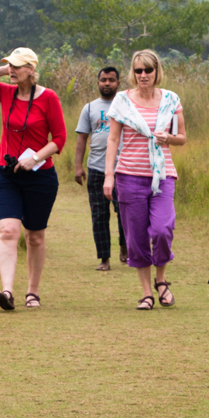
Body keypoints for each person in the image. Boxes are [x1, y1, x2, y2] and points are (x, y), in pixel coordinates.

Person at [0, 47, 67, 310]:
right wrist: (3, 70)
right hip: (5, 174)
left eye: (18, 66)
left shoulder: (48, 98)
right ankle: (7, 291)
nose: (12, 69)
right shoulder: (4, 91)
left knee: (35, 236)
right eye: (10, 65)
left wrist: (36, 158)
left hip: (39, 176)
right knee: (8, 231)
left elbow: (59, 138)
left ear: (31, 69)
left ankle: (32, 292)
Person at [103, 50, 186, 310]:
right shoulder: (122, 101)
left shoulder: (171, 99)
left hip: (162, 175)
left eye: (148, 70)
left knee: (162, 229)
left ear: (156, 71)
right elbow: (113, 139)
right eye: (138, 71)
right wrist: (109, 175)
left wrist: (167, 138)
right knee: (136, 236)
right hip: (129, 175)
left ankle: (162, 281)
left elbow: (181, 137)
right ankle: (147, 292)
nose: (143, 75)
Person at [74, 67, 128, 271]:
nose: (107, 83)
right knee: (99, 214)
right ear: (98, 83)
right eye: (103, 80)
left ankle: (125, 248)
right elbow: (81, 140)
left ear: (118, 83)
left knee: (124, 211)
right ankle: (104, 259)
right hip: (96, 168)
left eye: (111, 80)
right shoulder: (89, 108)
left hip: (123, 168)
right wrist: (78, 167)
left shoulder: (126, 106)